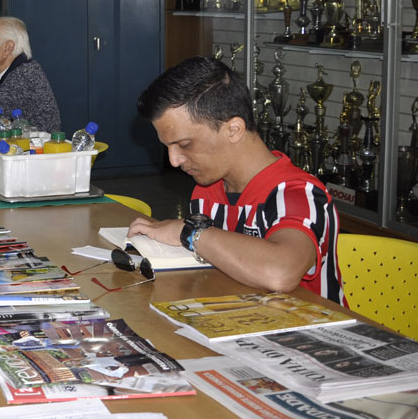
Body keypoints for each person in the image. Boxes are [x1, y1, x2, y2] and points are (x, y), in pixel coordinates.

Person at [126, 56, 343, 304]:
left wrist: (191, 234)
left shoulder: (298, 192)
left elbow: (280, 272)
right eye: (168, 147)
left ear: (234, 130)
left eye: (184, 144)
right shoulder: (207, 189)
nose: (174, 160)